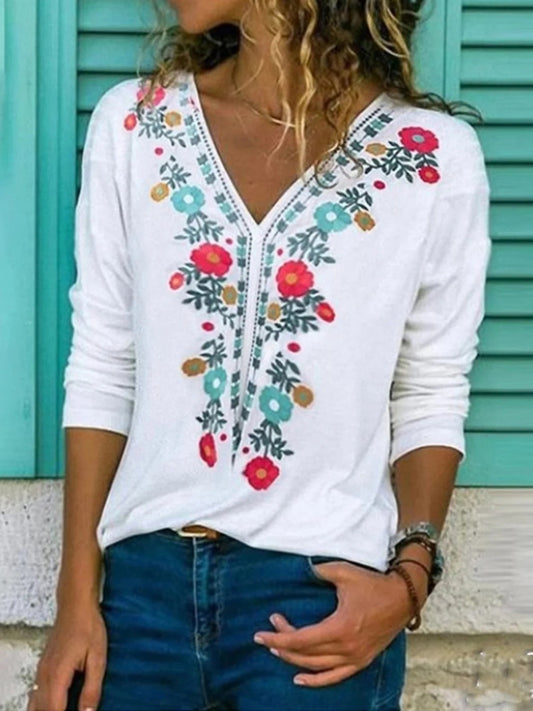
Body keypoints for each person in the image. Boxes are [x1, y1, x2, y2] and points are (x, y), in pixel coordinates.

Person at [28, 1, 492, 710]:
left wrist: (407, 582)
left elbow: (430, 388)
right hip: (138, 597)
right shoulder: (137, 124)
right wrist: (75, 602)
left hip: (319, 600)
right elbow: (103, 364)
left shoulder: (429, 157)